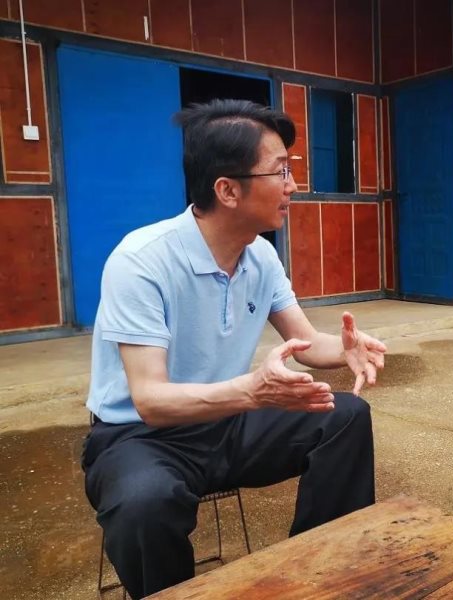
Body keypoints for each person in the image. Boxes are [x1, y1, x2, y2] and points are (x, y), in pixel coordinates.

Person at [82, 99, 387, 599]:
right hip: (139, 436)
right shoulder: (141, 261)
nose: (292, 186)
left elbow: (306, 343)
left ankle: (321, 575)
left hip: (225, 422)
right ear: (227, 190)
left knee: (346, 417)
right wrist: (253, 391)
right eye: (280, 171)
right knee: (143, 502)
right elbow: (151, 400)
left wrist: (345, 349)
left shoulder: (260, 256)